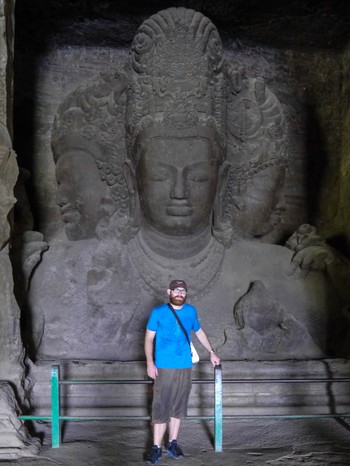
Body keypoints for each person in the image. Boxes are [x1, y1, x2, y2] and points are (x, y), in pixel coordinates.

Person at [144, 279, 220, 464]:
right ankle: (156, 447)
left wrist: (211, 352)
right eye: (176, 290)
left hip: (185, 365)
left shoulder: (191, 311)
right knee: (161, 406)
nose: (180, 294)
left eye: (183, 291)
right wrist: (150, 362)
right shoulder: (158, 312)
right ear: (169, 291)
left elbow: (199, 332)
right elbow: (148, 339)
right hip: (164, 366)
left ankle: (172, 442)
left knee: (179, 406)